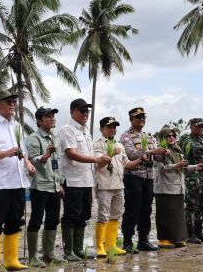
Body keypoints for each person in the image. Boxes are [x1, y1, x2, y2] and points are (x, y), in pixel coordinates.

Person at [0, 91, 36, 272]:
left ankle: (12, 260)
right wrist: (6, 153)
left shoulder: (16, 126)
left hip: (17, 181)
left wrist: (27, 163)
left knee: (15, 220)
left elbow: (22, 151)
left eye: (14, 101)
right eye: (8, 101)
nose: (12, 104)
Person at [57, 98, 110, 261]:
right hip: (72, 181)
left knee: (84, 215)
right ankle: (68, 251)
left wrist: (101, 159)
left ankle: (79, 249)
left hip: (87, 180)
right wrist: (96, 160)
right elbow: (71, 153)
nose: (85, 114)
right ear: (72, 112)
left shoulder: (86, 131)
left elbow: (91, 154)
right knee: (71, 215)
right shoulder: (67, 130)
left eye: (87, 111)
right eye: (82, 111)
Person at [92, 116, 143, 257]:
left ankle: (111, 245)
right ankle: (99, 247)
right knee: (103, 216)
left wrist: (139, 160)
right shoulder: (98, 145)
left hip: (118, 185)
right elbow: (98, 164)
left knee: (116, 216)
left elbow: (126, 165)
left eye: (114, 127)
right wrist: (110, 153)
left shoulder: (119, 146)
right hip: (104, 186)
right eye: (109, 127)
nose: (112, 129)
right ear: (102, 128)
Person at [119, 107, 166, 252]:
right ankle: (127, 241)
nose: (141, 119)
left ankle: (143, 240)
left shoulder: (150, 136)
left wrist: (162, 153)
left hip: (149, 177)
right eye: (138, 117)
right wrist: (152, 151)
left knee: (146, 209)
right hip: (134, 176)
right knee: (132, 209)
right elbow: (131, 154)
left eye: (143, 117)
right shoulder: (126, 136)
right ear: (131, 119)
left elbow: (157, 156)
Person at [26, 106, 64, 266]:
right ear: (39, 121)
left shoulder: (55, 137)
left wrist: (61, 183)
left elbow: (58, 164)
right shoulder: (34, 138)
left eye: (53, 115)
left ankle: (48, 253)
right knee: (36, 219)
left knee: (53, 219)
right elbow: (32, 160)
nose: (52, 118)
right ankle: (33, 256)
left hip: (54, 185)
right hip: (40, 186)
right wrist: (45, 156)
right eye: (47, 116)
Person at [153, 127, 202, 248]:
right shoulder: (159, 152)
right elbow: (163, 168)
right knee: (165, 214)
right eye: (168, 136)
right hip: (164, 188)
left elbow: (183, 169)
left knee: (176, 215)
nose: (171, 138)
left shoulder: (178, 151)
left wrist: (196, 167)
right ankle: (164, 239)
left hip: (178, 188)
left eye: (173, 136)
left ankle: (177, 238)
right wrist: (178, 164)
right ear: (163, 138)